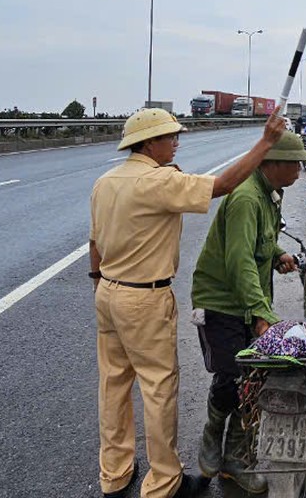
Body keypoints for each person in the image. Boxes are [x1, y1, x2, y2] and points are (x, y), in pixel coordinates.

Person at [89, 108, 286, 498]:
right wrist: (265, 142)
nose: (177, 141)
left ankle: (114, 473)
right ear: (148, 143)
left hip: (108, 290)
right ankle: (164, 482)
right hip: (144, 297)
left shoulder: (107, 181)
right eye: (169, 136)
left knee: (113, 385)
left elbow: (94, 243)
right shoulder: (158, 181)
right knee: (158, 389)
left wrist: (99, 283)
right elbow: (224, 184)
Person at [189, 131, 306, 493]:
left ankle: (235, 458)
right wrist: (261, 313)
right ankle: (213, 436)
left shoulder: (269, 194)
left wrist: (277, 256)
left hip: (248, 299)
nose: (300, 169)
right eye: (296, 163)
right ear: (274, 164)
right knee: (230, 378)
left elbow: (263, 240)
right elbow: (239, 261)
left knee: (254, 378)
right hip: (222, 303)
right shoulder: (245, 197)